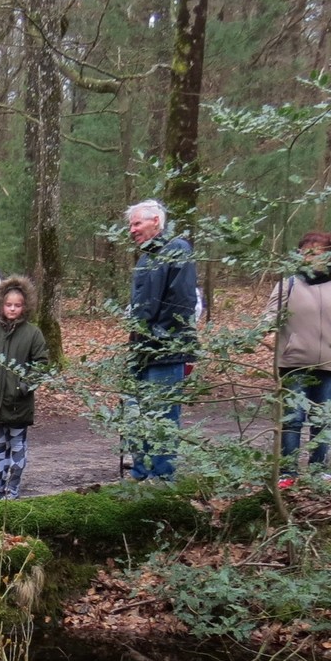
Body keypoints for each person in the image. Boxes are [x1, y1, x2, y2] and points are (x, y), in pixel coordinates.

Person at [263, 230, 331, 484]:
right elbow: (269, 317)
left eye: (318, 253)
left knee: (322, 420)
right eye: (306, 253)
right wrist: (263, 332)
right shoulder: (289, 284)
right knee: (293, 418)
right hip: (294, 363)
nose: (311, 258)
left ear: (329, 255)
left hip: (330, 364)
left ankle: (319, 471)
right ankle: (287, 473)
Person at [124, 199, 198, 481]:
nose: (132, 230)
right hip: (140, 351)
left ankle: (162, 480)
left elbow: (182, 302)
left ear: (156, 221)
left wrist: (157, 336)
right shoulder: (145, 258)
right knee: (135, 415)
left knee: (163, 418)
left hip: (166, 352)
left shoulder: (177, 250)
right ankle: (140, 474)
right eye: (131, 225)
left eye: (137, 223)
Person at [0, 277, 51, 500]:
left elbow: (41, 364)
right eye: (9, 305)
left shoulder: (33, 333)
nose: (13, 309)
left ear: (25, 307)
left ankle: (12, 488)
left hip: (19, 403)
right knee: (0, 444)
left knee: (17, 444)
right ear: (0, 305)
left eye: (17, 305)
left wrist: (24, 386)